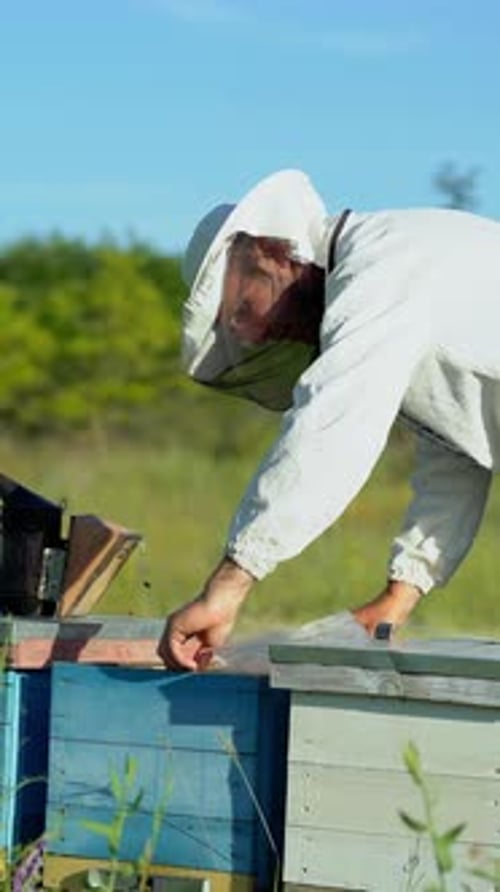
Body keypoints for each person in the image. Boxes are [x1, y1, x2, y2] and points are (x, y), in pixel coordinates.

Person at [158, 169, 500, 670]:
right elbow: (459, 444)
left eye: (244, 309)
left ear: (271, 256)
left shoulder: (382, 269)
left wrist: (230, 582)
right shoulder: (399, 262)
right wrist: (401, 594)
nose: (250, 335)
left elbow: (331, 428)